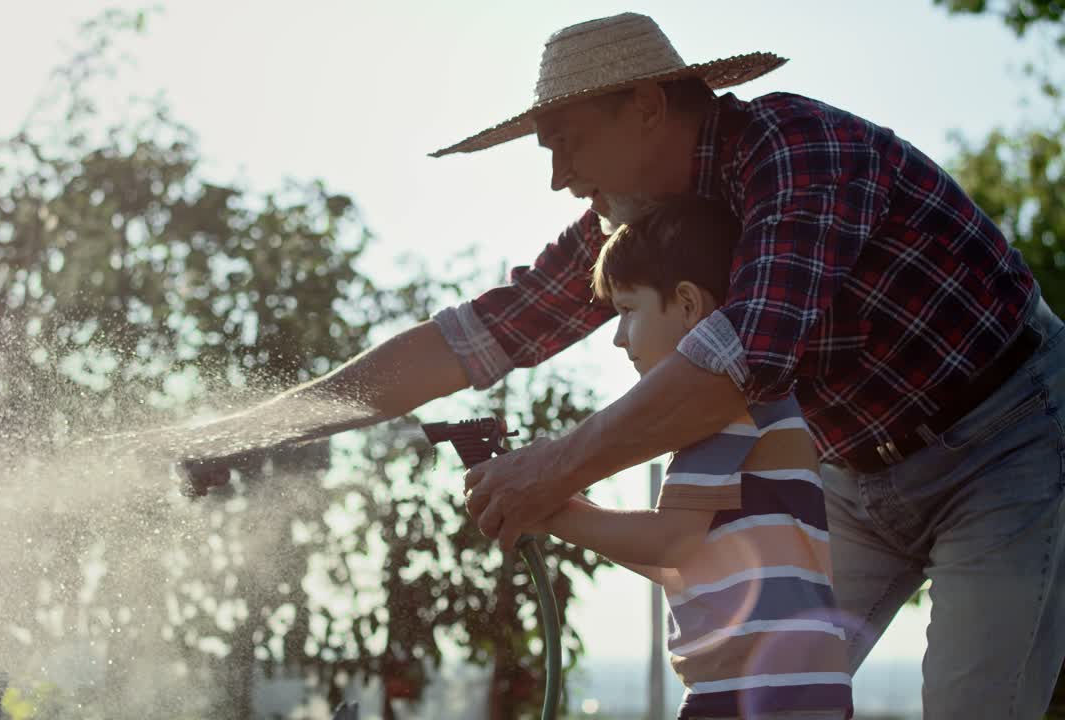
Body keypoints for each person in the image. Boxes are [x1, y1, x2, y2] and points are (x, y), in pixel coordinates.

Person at [179, 13, 1065, 717]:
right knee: (749, 694)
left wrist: (550, 473)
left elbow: (743, 358)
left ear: (645, 106)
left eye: (566, 142)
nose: (560, 178)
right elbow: (477, 337)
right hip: (852, 476)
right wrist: (248, 430)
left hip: (1008, 442)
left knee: (971, 703)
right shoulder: (640, 229)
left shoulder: (802, 155)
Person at [537, 195, 851, 719]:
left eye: (627, 311)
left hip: (753, 690)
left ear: (686, 305)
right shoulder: (758, 400)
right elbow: (686, 561)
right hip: (788, 687)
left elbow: (671, 540)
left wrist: (551, 507)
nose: (617, 338)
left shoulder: (723, 406)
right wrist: (568, 513)